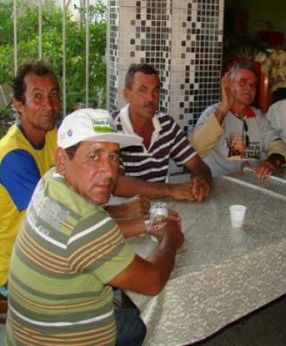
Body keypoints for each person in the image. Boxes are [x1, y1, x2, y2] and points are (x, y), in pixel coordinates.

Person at [6, 108, 184, 345]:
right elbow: (152, 281)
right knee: (153, 318)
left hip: (27, 336)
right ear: (62, 160)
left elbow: (85, 238)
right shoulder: (87, 225)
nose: (109, 171)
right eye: (94, 156)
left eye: (113, 157)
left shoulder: (50, 183)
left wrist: (146, 225)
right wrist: (170, 238)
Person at [0, 61, 60, 298]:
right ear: (19, 104)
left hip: (44, 250)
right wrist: (127, 217)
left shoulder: (54, 132)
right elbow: (51, 220)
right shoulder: (13, 156)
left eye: (53, 95)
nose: (49, 105)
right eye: (37, 97)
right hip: (15, 269)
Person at [112, 63, 212, 202]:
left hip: (159, 209)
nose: (151, 98)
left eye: (156, 90)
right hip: (122, 210)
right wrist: (169, 189)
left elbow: (198, 165)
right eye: (143, 90)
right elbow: (116, 183)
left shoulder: (167, 125)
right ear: (127, 95)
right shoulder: (112, 128)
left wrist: (201, 182)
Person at [191, 60, 286, 178]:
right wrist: (223, 109)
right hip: (218, 184)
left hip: (251, 184)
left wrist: (272, 162)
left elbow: (280, 147)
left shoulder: (258, 117)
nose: (249, 88)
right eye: (243, 82)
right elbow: (195, 150)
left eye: (253, 85)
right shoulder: (213, 113)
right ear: (229, 85)